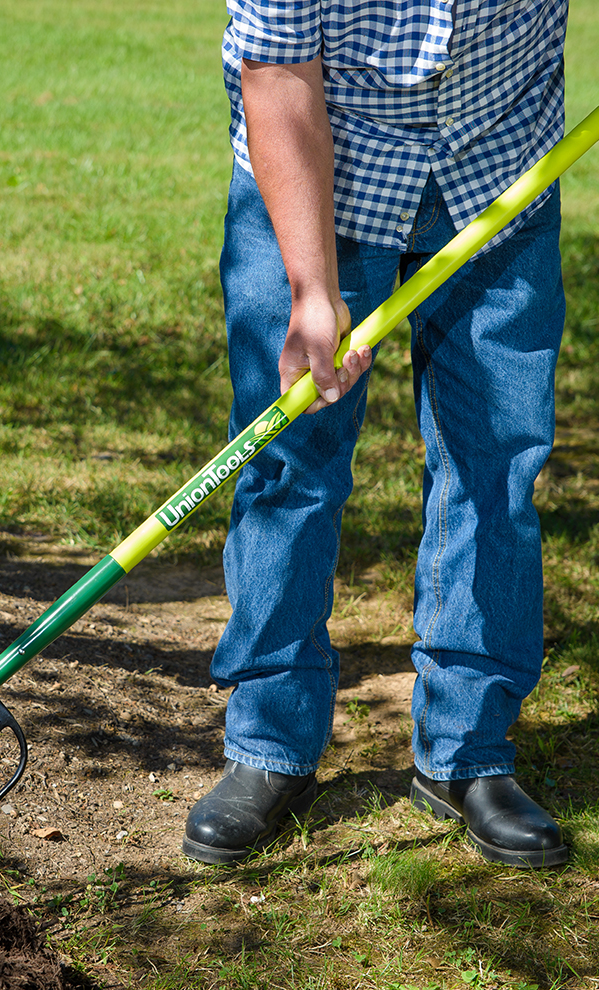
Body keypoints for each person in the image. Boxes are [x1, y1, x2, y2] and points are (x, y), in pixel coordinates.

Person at [183, 0, 570, 869]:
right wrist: (312, 288)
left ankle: (467, 753)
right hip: (323, 169)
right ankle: (269, 744)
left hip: (497, 166)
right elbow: (278, 71)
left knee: (495, 462)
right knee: (290, 464)